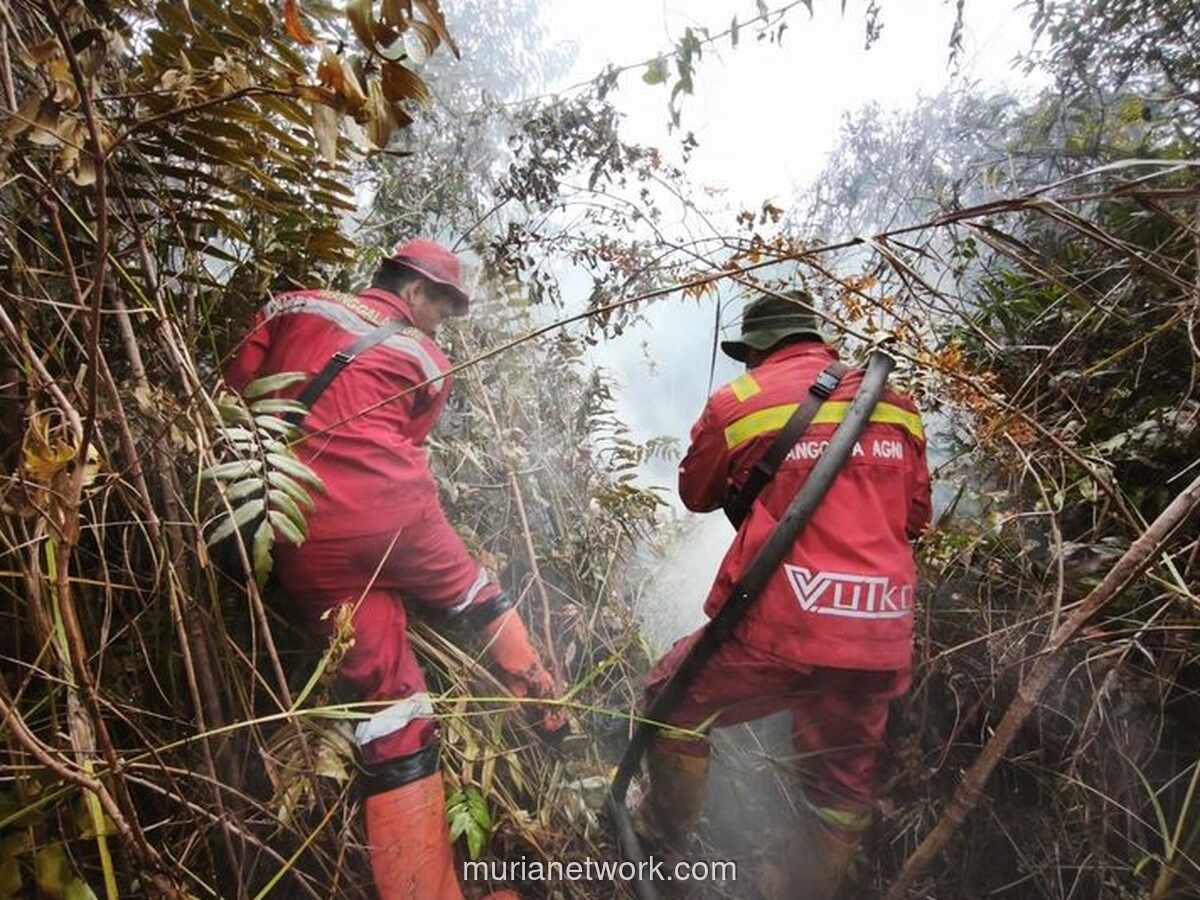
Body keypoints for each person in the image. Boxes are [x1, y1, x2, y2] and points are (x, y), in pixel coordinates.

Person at [225, 239, 562, 900]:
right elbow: (407, 445)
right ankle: (547, 710)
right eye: (442, 304)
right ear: (412, 291)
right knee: (474, 592)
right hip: (388, 511)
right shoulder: (426, 357)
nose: (443, 320)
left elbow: (237, 395)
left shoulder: (292, 303)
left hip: (286, 517)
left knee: (389, 700)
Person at [634, 291, 931, 899]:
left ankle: (661, 853)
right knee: (845, 785)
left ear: (756, 351)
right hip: (880, 632)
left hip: (784, 623)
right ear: (815, 340)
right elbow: (917, 514)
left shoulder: (739, 401)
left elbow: (697, 493)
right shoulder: (897, 404)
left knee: (671, 701)